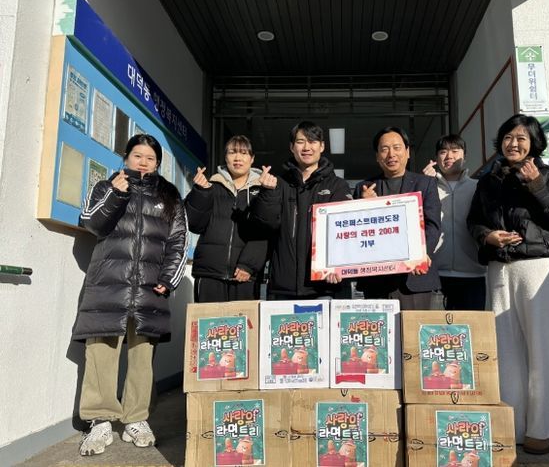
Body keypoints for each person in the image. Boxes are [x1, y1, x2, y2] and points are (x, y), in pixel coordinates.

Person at [72, 134, 188, 456]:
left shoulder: (169, 196)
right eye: (138, 156)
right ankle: (99, 420)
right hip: (108, 285)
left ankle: (136, 418)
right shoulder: (105, 187)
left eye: (150, 158)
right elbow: (92, 223)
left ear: (157, 163)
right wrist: (115, 194)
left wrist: (169, 279)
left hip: (149, 289)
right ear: (126, 157)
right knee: (101, 354)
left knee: (142, 357)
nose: (143, 162)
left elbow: (179, 240)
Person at [467, 114, 549, 454]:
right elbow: (473, 221)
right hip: (499, 266)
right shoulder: (487, 180)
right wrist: (488, 236)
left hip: (536, 266)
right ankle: (510, 424)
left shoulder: (547, 174)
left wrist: (536, 184)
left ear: (533, 143)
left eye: (521, 138)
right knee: (503, 349)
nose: (514, 143)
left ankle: (543, 426)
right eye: (509, 137)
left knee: (541, 345)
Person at [250, 121, 352, 299]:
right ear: (292, 147)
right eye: (300, 142)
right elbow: (265, 225)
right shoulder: (279, 184)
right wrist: (267, 193)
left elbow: (345, 233)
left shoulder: (337, 186)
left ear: (322, 146)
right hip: (283, 287)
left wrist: (339, 265)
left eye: (312, 141)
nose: (306, 147)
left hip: (324, 286)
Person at [354, 127, 441, 309]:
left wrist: (422, 254)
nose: (391, 154)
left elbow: (432, 225)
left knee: (414, 328)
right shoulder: (364, 188)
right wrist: (364, 206)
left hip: (414, 277)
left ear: (407, 152)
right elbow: (355, 231)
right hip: (376, 280)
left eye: (397, 147)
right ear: (377, 156)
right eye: (384, 149)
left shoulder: (425, 184)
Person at [185, 135, 267, 302]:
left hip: (245, 276)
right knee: (207, 319)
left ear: (252, 159)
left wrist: (249, 265)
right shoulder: (211, 186)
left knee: (244, 319)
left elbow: (266, 232)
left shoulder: (262, 191)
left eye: (243, 153)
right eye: (232, 152)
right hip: (209, 274)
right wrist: (201, 192)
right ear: (225, 157)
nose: (237, 158)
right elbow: (194, 224)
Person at [422, 134, 486, 310]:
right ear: (436, 158)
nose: (449, 156)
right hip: (434, 274)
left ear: (465, 156)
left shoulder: (478, 187)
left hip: (472, 274)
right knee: (433, 328)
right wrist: (422, 183)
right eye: (443, 152)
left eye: (455, 151)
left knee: (472, 326)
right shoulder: (427, 187)